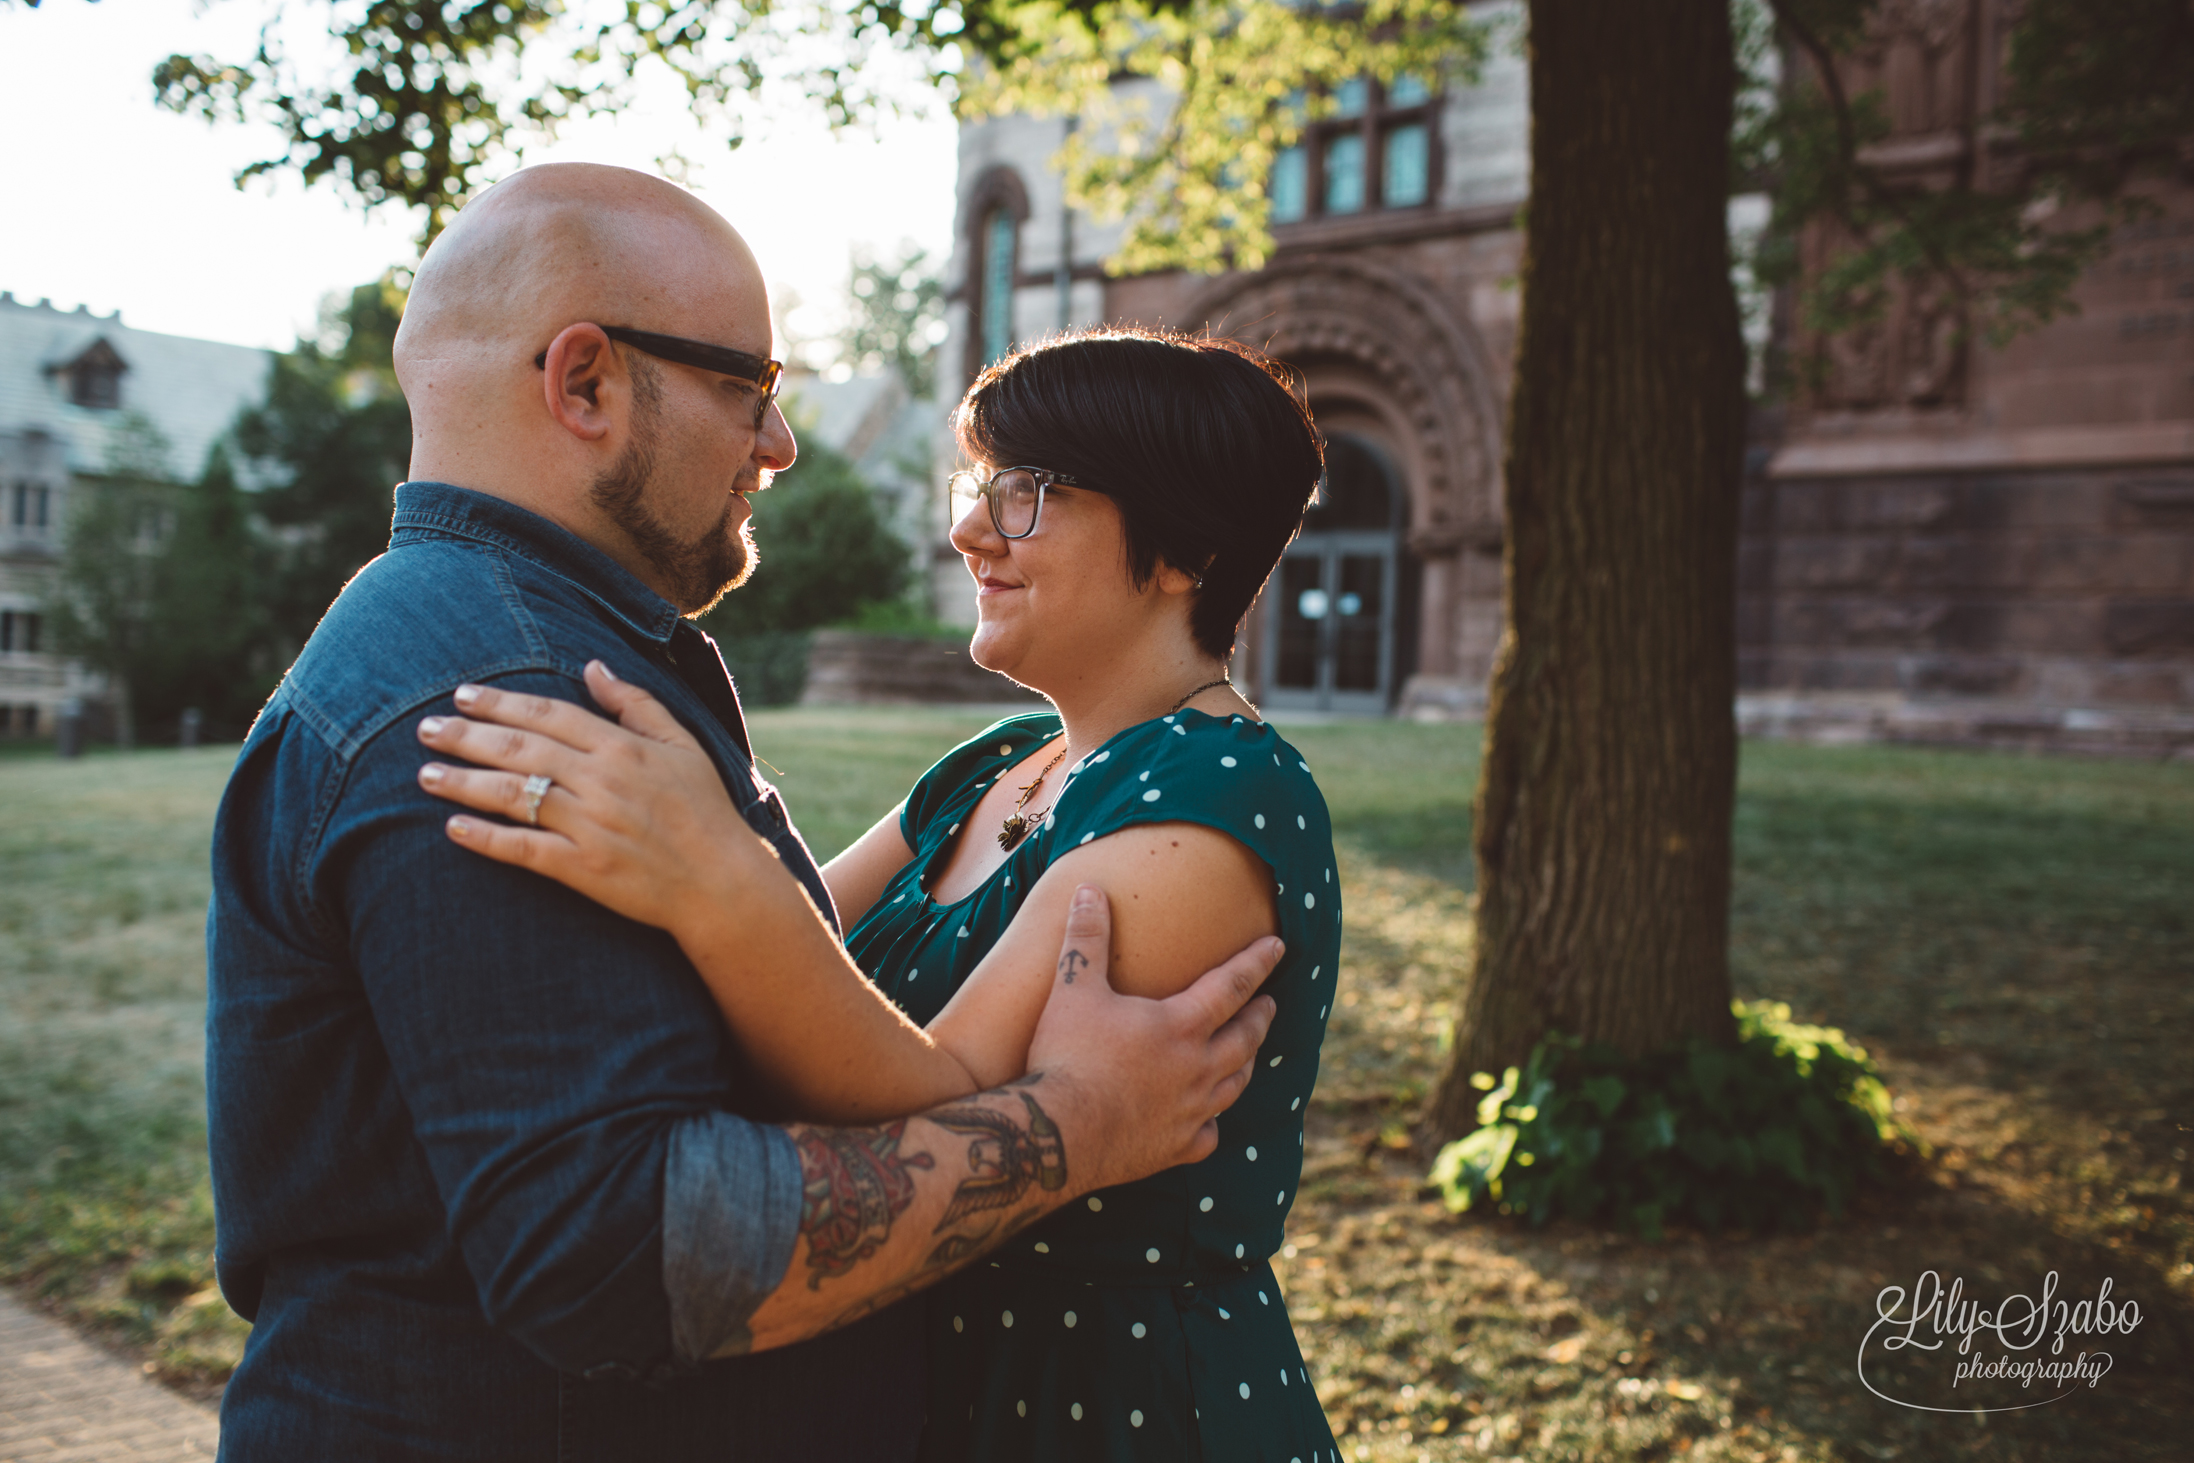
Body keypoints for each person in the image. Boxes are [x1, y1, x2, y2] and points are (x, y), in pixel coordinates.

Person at [203, 164, 1283, 1461]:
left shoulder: (551, 657)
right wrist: (1076, 1127)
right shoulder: (508, 703)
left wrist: (729, 886)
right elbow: (625, 1250)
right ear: (585, 381)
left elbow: (761, 990)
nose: (778, 444)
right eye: (748, 389)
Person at [413, 328, 1344, 1460]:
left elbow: (932, 1105)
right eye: (978, 484)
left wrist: (713, 872)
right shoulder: (989, 764)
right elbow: (798, 940)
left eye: (1027, 493)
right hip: (912, 1379)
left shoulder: (1206, 806)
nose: (968, 529)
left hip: (1103, 1401)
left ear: (1181, 548)